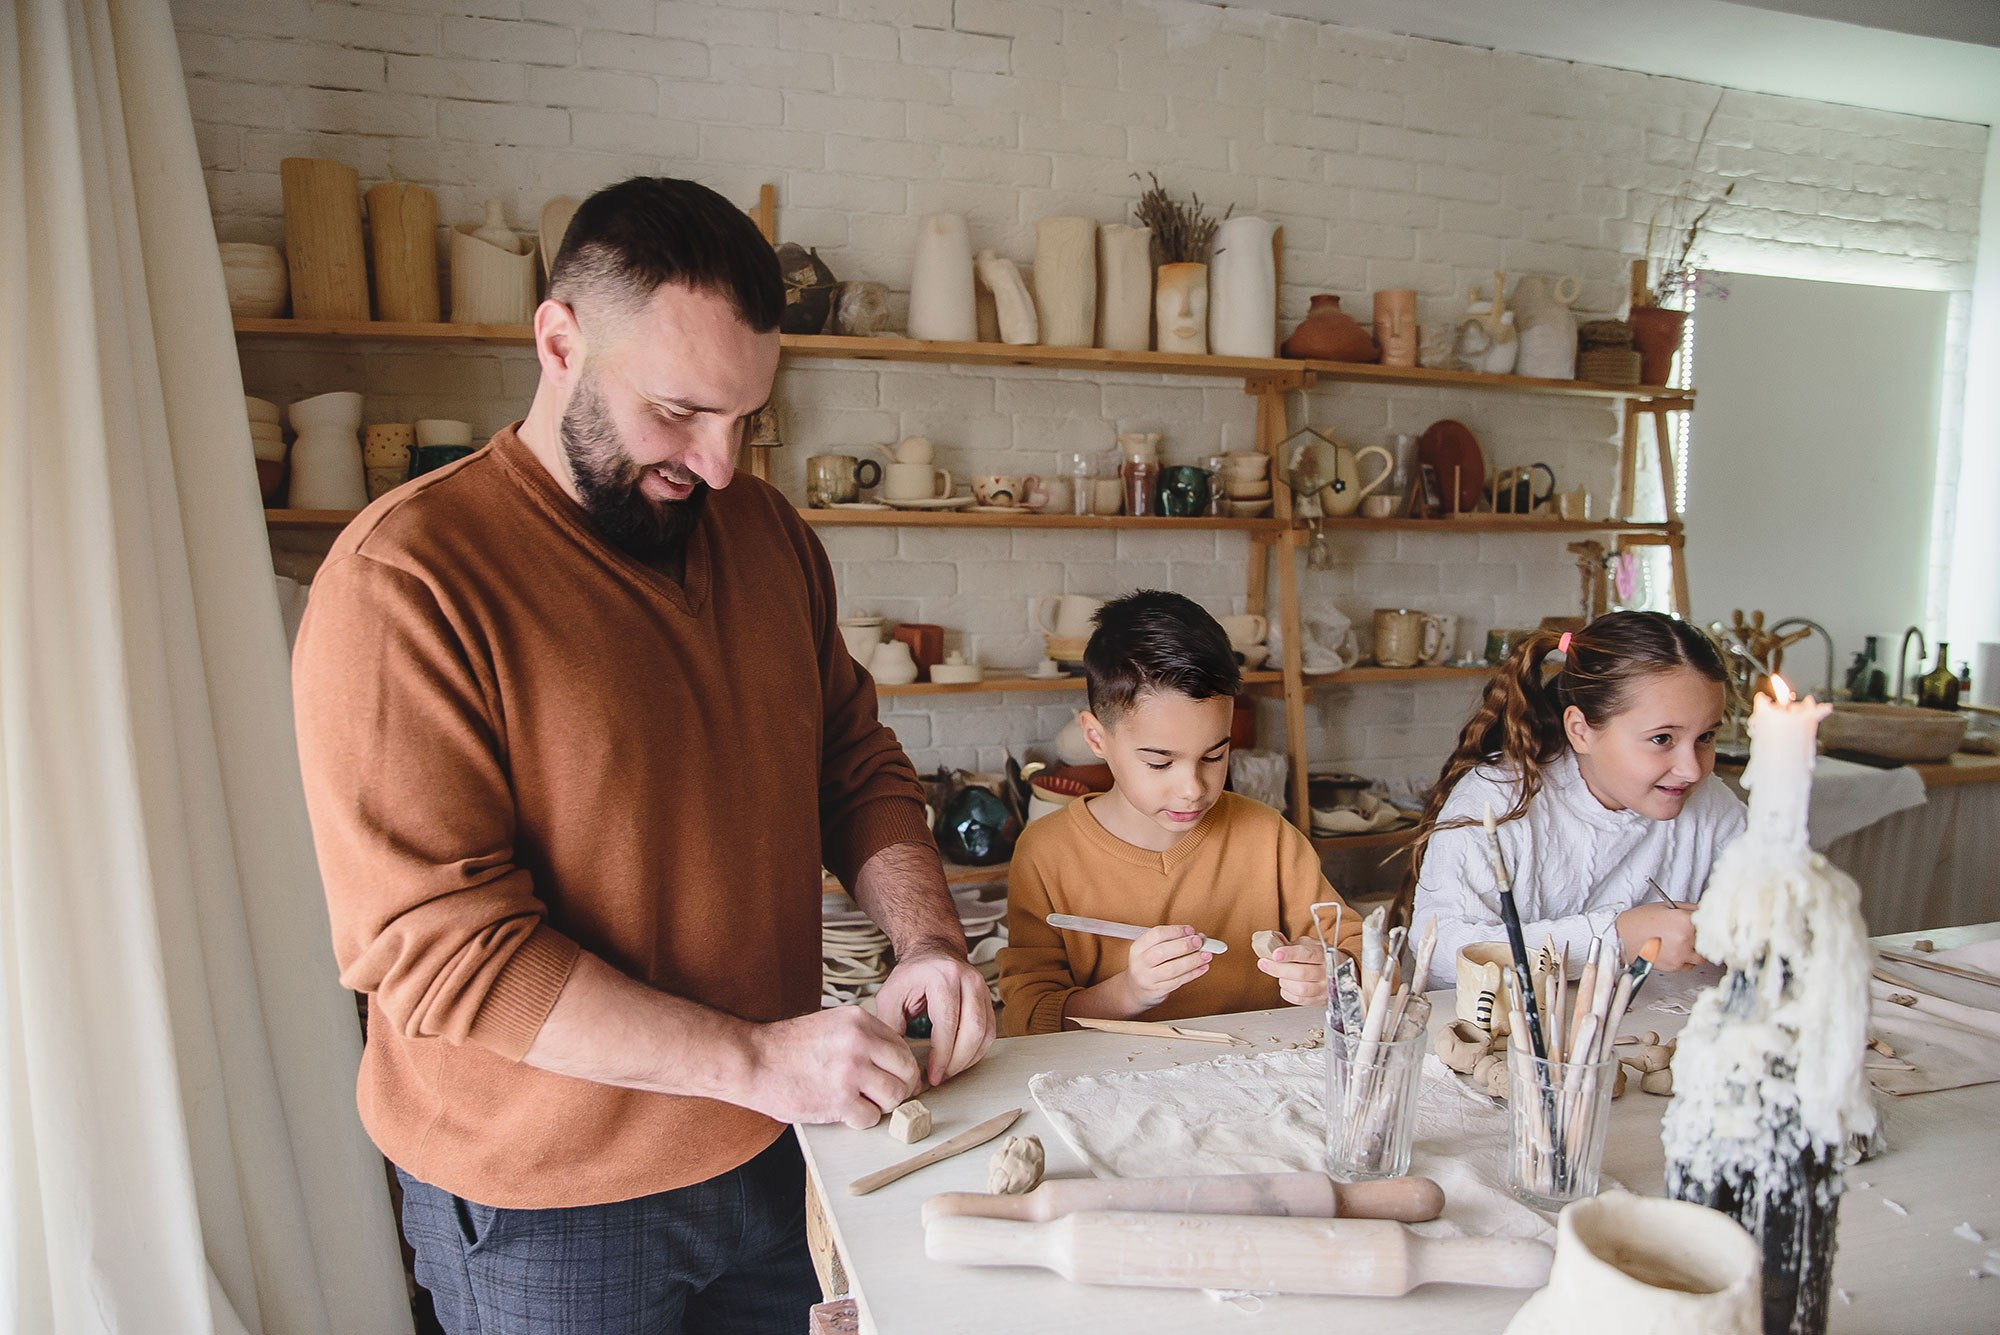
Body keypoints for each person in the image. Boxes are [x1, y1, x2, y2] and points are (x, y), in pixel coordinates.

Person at [292, 176, 994, 1335]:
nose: (719, 465)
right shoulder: (406, 580)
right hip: (544, 1210)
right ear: (558, 341)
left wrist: (924, 942)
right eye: (677, 413)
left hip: (778, 1148)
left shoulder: (767, 536)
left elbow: (854, 766)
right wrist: (759, 1062)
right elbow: (448, 954)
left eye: (745, 420)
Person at [999, 591, 1364, 1036]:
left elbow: (1365, 956)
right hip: (1114, 1090)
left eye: (1214, 756)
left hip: (1258, 1077)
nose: (1193, 789)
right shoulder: (1047, 853)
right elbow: (1027, 1019)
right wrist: (1129, 992)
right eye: (1159, 762)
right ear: (1096, 739)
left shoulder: (1268, 837)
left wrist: (1335, 974)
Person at [1408, 610, 1747, 989]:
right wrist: (1613, 940)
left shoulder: (1710, 804)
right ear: (1580, 731)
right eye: (1662, 739)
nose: (1692, 770)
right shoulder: (1500, 798)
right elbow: (1438, 952)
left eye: (1705, 737)